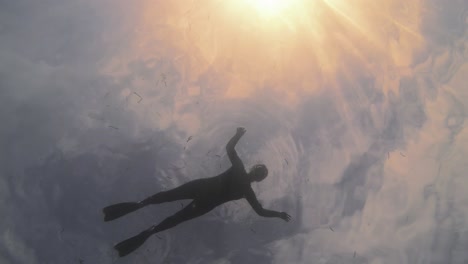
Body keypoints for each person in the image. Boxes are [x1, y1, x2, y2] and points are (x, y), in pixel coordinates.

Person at [102, 127, 291, 257]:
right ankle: (145, 231)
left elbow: (229, 148)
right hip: (205, 201)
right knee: (170, 218)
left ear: (254, 170)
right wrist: (279, 214)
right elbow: (260, 211)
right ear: (257, 179)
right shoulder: (247, 191)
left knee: (163, 200)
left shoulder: (240, 170)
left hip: (201, 189)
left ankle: (137, 208)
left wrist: (238, 134)